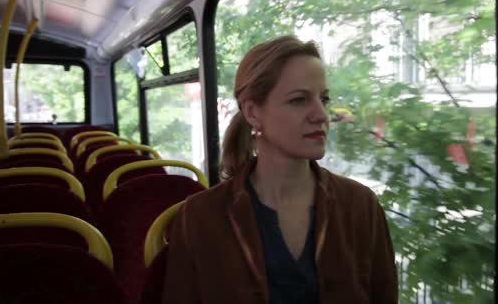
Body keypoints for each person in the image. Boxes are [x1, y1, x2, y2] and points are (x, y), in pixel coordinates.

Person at [163, 35, 398, 304]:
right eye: (299, 100)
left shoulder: (360, 205)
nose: (321, 114)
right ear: (253, 113)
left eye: (324, 99)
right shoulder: (200, 217)